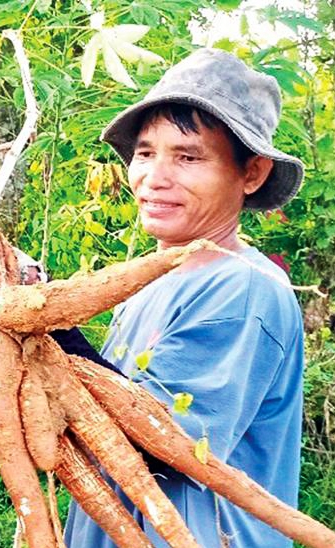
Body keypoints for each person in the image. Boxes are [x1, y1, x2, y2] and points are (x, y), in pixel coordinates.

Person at [64, 49, 305, 547]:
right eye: (146, 153)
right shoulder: (153, 284)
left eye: (188, 156)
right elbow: (100, 410)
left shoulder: (243, 291)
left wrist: (51, 331)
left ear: (252, 174)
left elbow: (159, 441)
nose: (154, 177)